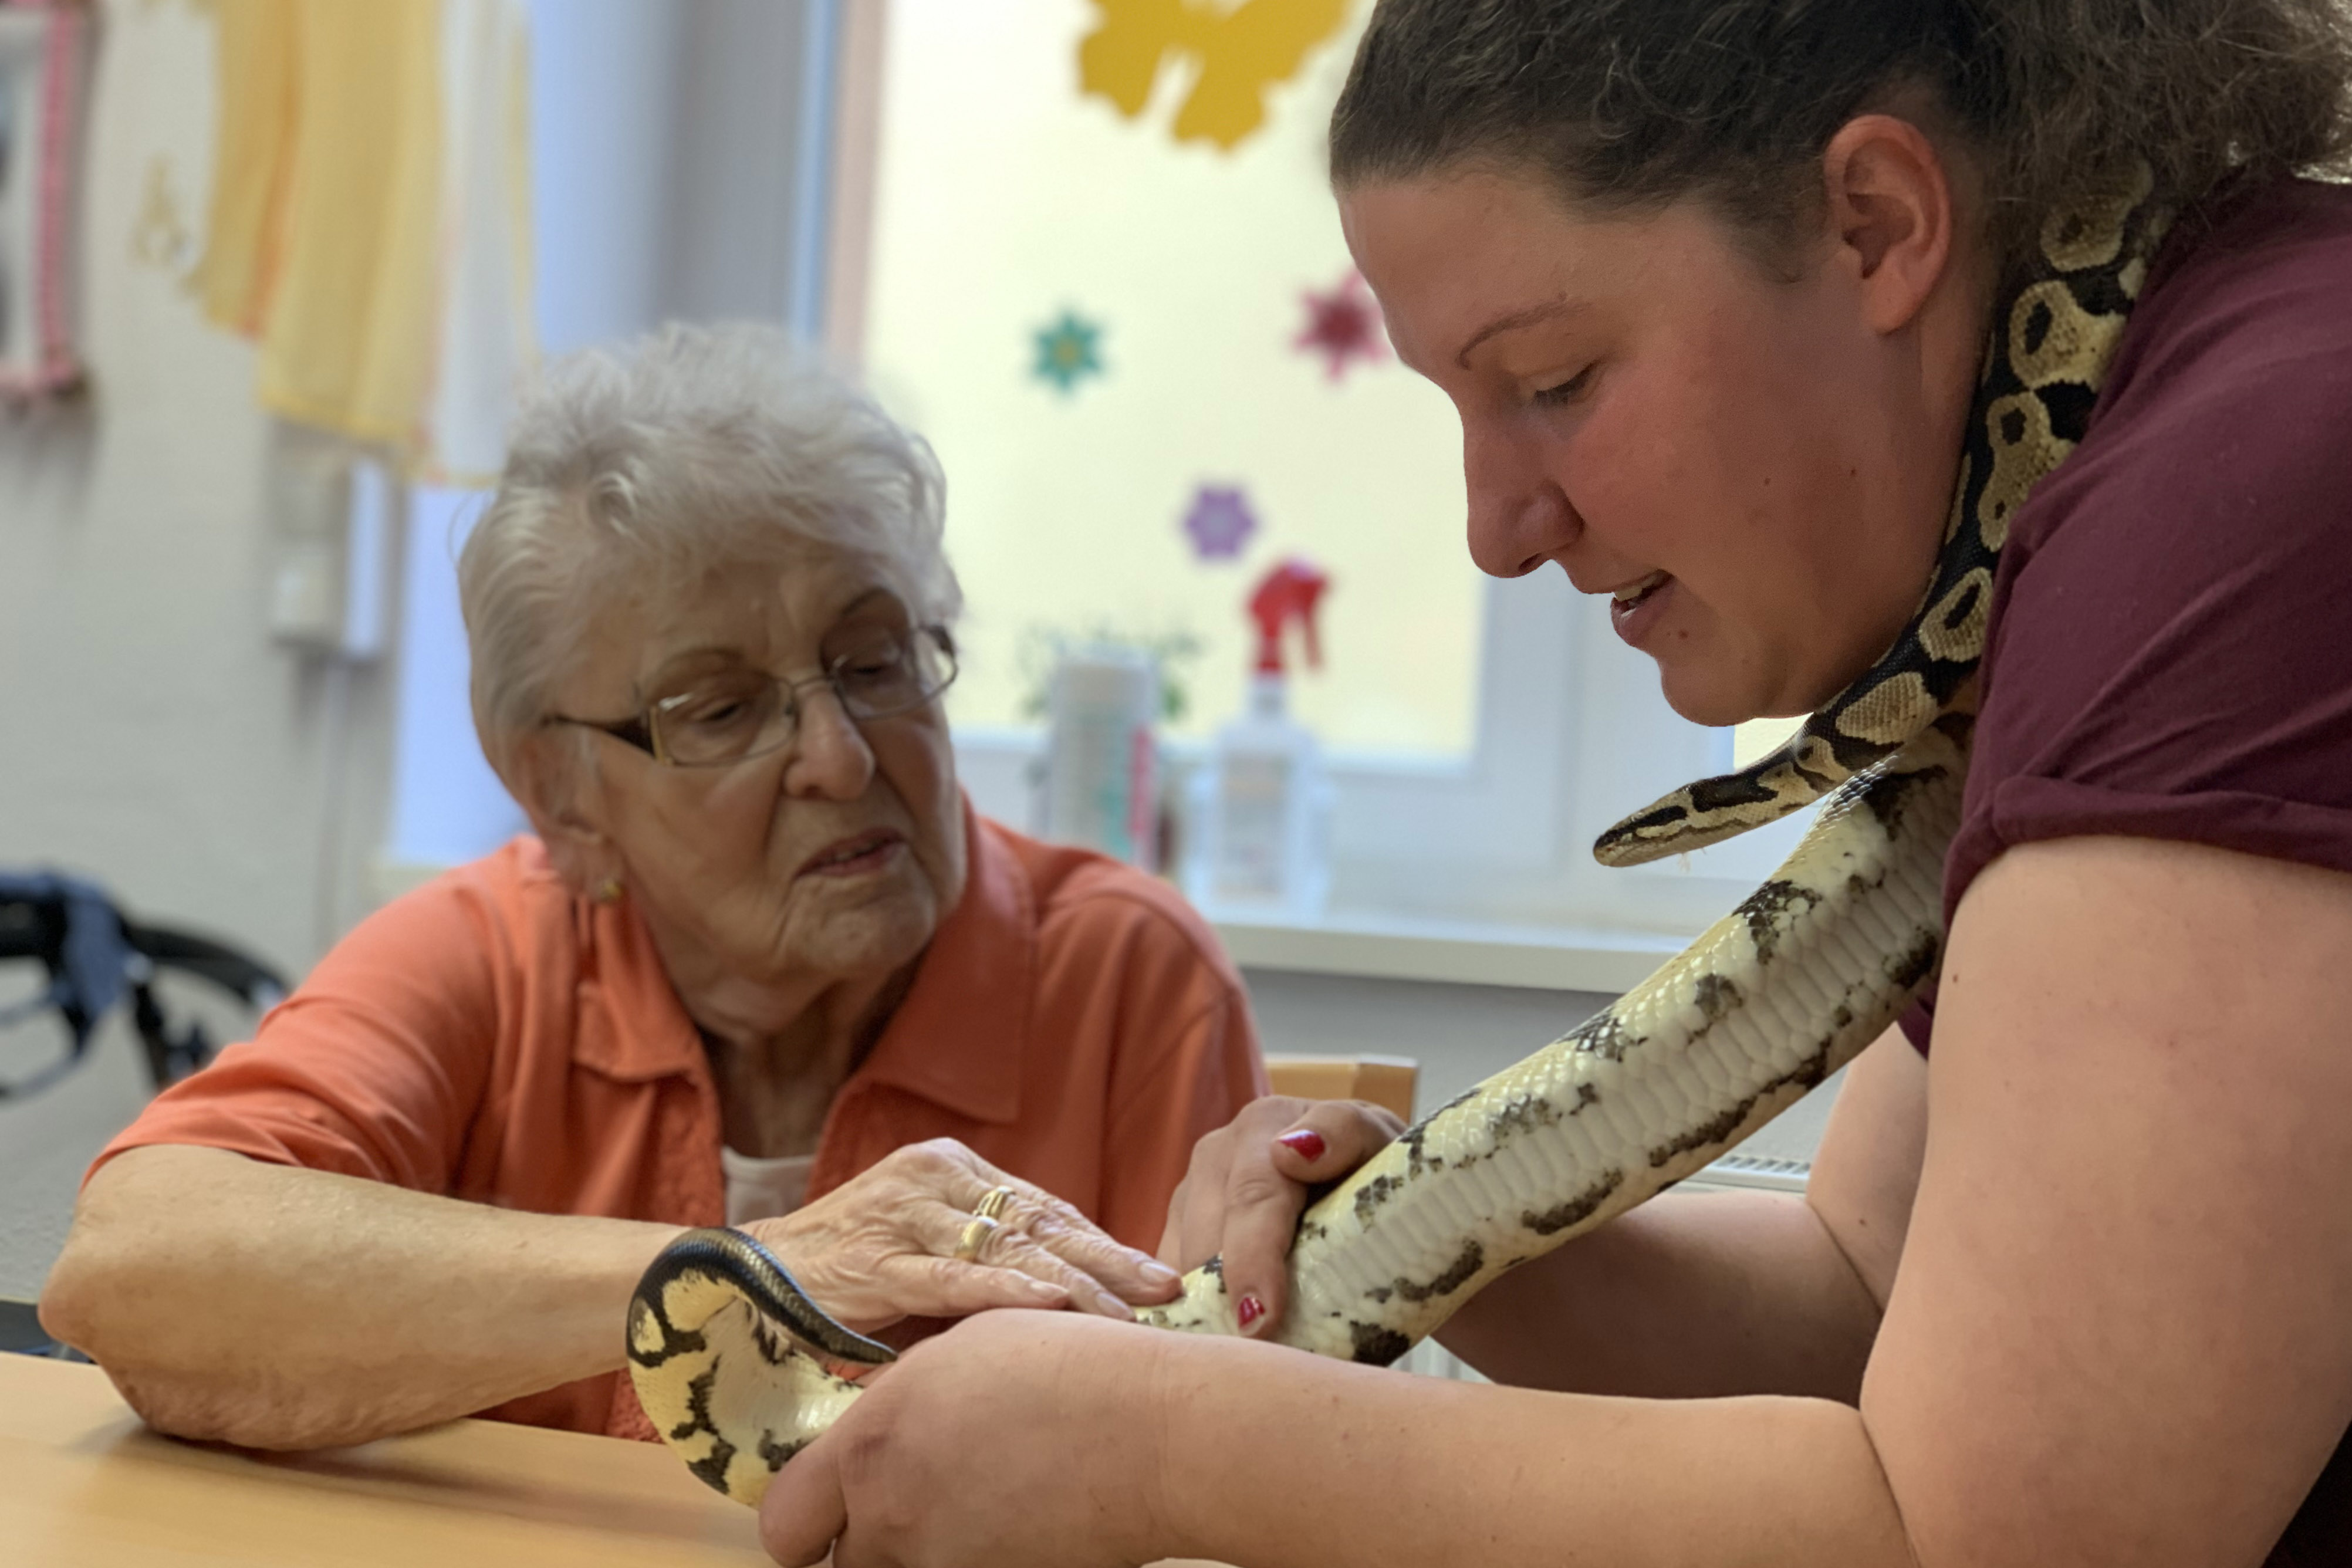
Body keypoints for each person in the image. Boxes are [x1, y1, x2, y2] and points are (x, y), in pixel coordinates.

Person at [748, 4, 2352, 1566]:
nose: (1496, 529)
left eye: (1557, 380)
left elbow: (2004, 1532)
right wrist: (1434, 1229)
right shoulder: (2127, 485)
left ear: (1872, 224)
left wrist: (1155, 1447)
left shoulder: (2245, 498)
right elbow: (1866, 1298)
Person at [36, 324, 1268, 1451]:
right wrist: (746, 1269)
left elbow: (1219, 1453)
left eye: (877, 659)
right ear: (564, 794)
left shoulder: (1125, 977)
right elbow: (135, 1267)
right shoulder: (494, 953)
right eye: (723, 709)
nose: (843, 758)